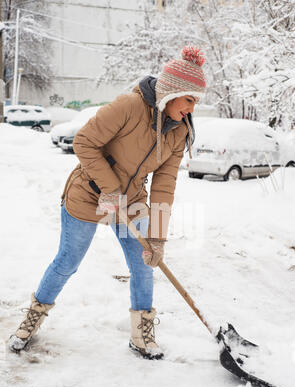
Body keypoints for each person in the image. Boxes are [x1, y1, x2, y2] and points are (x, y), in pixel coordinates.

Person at [8, 45, 206, 359]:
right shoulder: (129, 106)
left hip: (132, 202)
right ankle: (32, 318)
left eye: (195, 103)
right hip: (89, 193)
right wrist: (111, 188)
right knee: (67, 263)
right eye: (189, 100)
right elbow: (84, 141)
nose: (190, 110)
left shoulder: (178, 132)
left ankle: (141, 335)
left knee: (144, 264)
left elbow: (165, 184)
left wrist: (156, 237)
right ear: (172, 92)